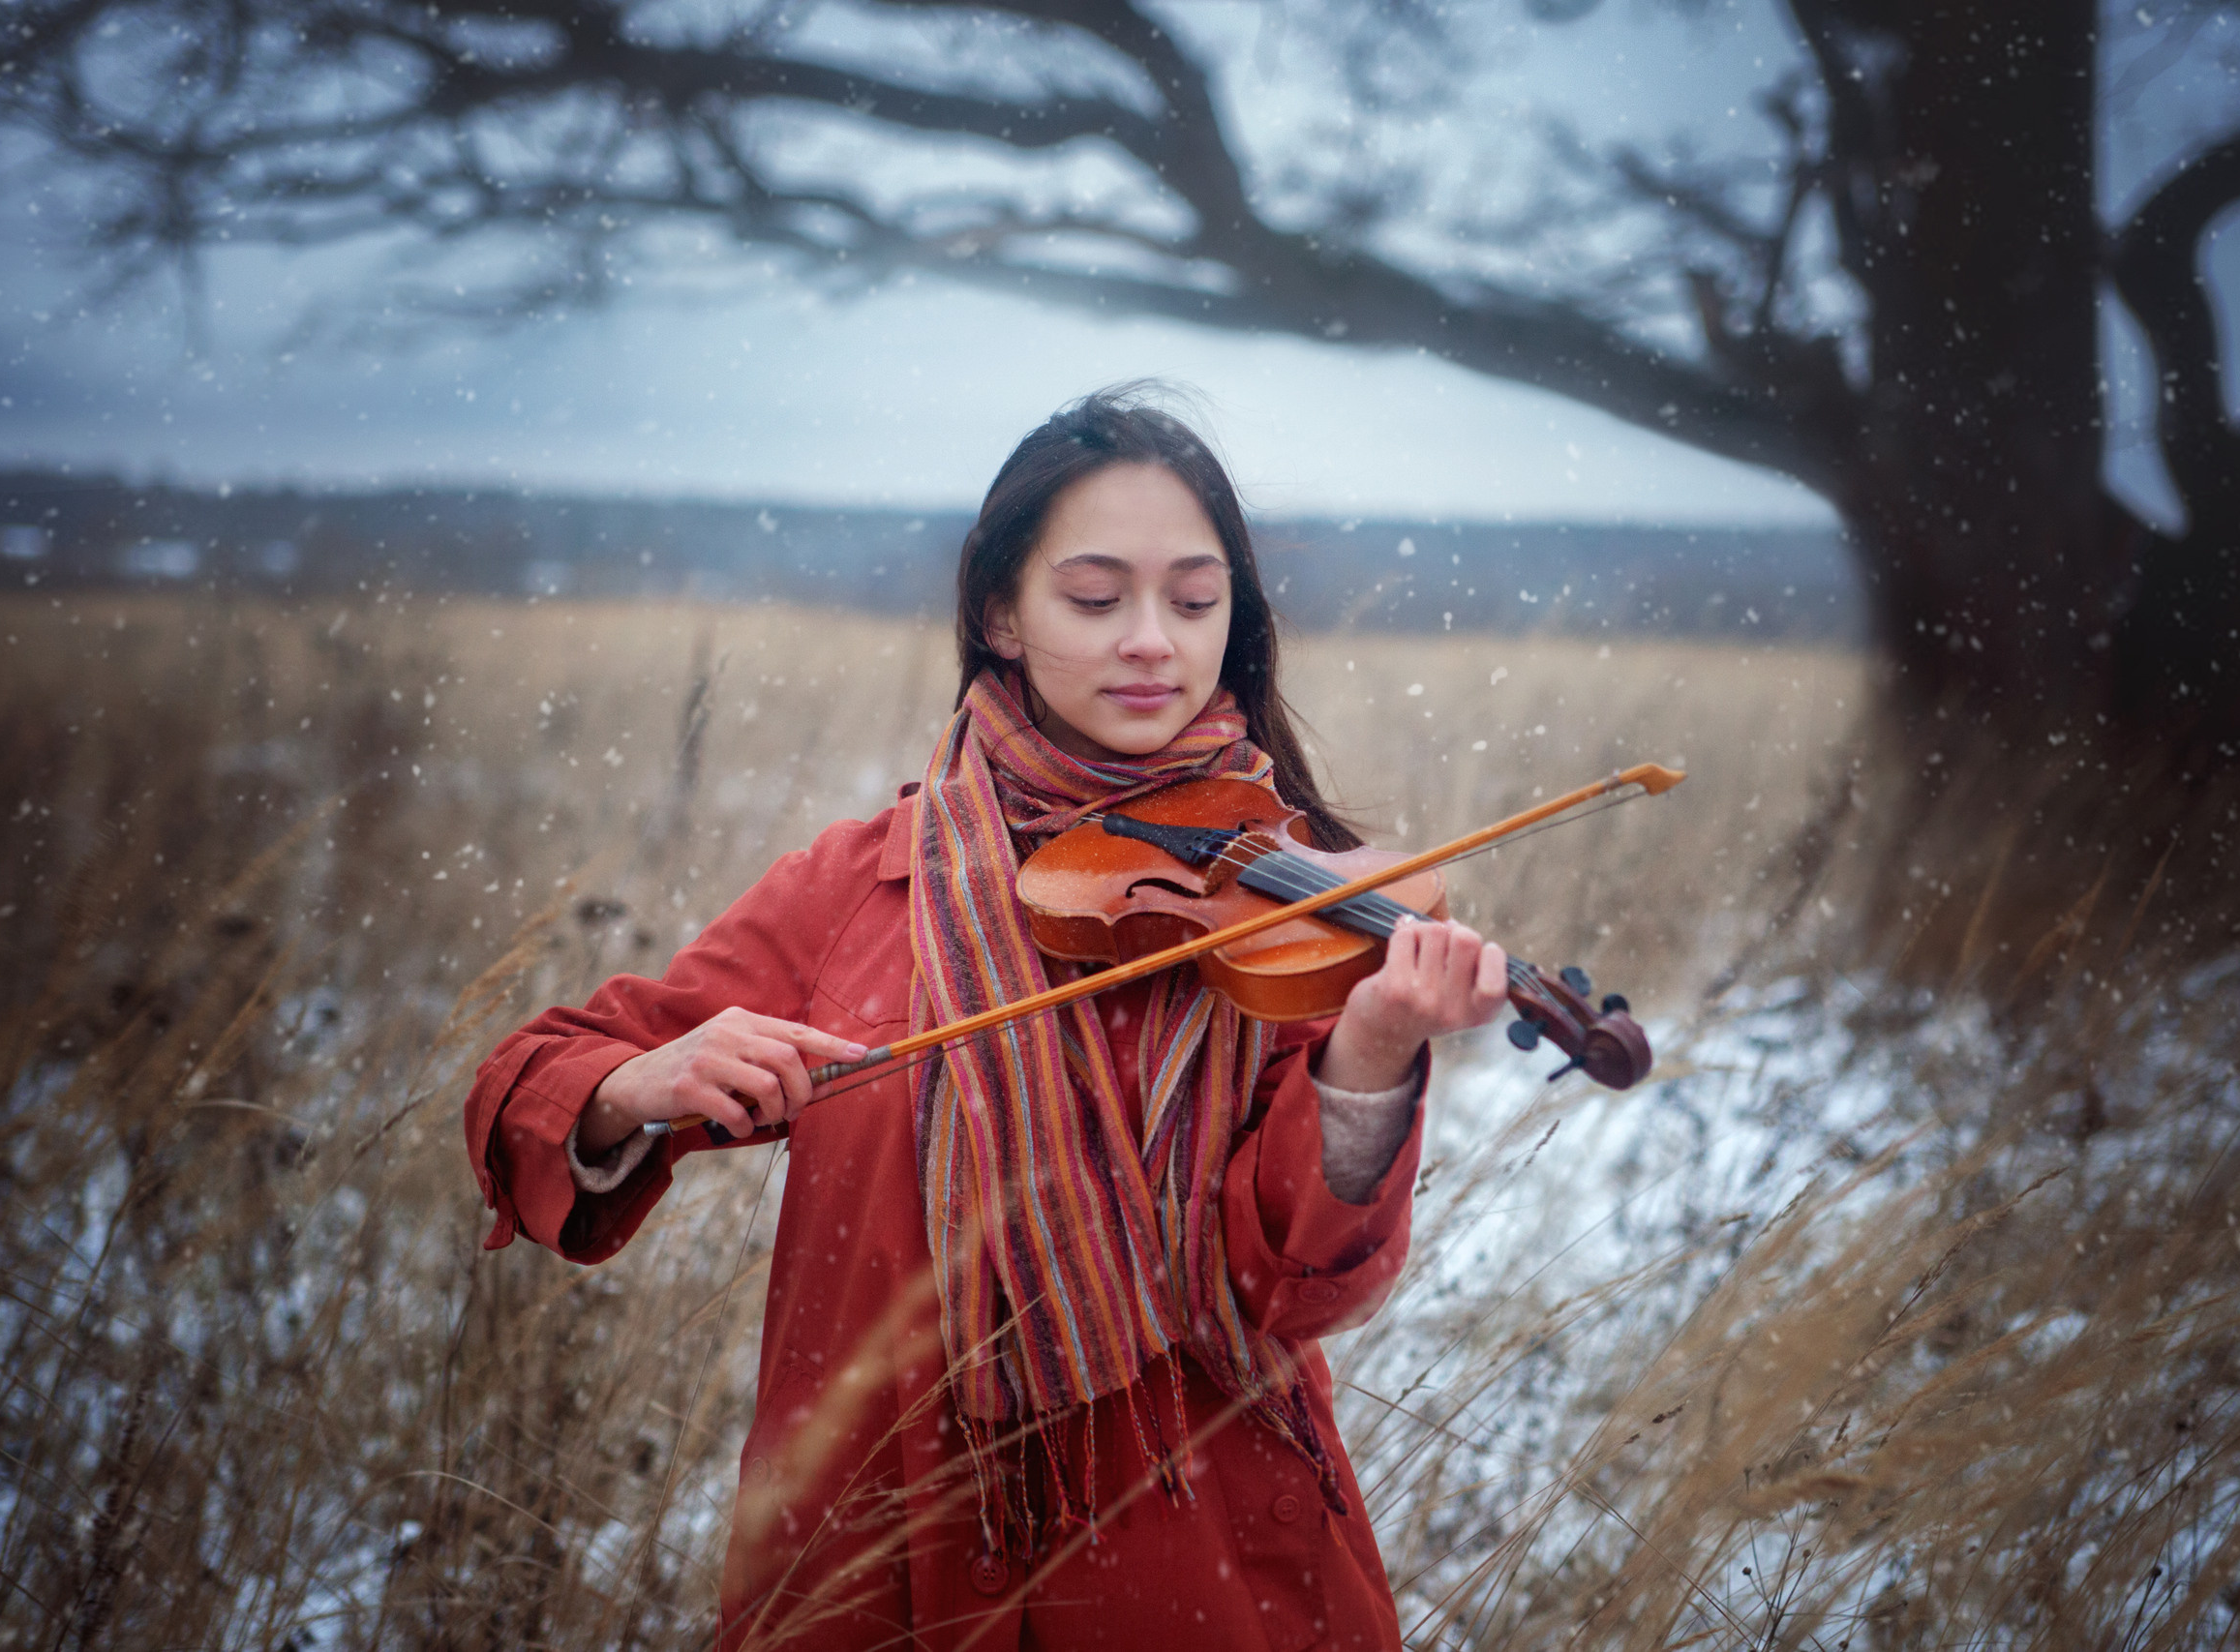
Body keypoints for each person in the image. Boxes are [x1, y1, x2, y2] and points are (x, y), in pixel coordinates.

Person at [463, 387, 1508, 1651]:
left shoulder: (1297, 897)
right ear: (996, 613)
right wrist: (640, 1086)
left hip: (1196, 1555)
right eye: (1093, 596)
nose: (1150, 642)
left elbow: (1285, 1284)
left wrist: (1375, 1050)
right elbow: (535, 1074)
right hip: (885, 1543)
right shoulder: (863, 885)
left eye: (1192, 600)